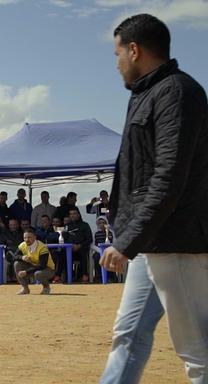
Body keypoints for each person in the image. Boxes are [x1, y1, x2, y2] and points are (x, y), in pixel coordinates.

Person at [99, 14, 208, 384]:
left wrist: (127, 241)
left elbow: (169, 177)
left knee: (199, 351)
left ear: (134, 49)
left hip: (179, 242)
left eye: (117, 54)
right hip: (152, 241)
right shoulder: (148, 94)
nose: (116, 64)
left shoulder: (177, 93)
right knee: (127, 335)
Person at [14, 230, 55, 295]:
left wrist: (26, 272)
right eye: (25, 238)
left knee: (38, 274)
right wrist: (22, 257)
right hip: (33, 267)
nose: (27, 240)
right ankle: (25, 289)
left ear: (35, 237)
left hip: (48, 269)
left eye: (29, 237)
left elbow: (42, 266)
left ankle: (46, 287)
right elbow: (15, 256)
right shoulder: (22, 245)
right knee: (17, 264)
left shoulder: (42, 247)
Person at [65, 208, 92, 283]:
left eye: (74, 213)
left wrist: (79, 245)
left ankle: (84, 275)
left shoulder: (85, 225)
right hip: (70, 249)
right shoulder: (67, 226)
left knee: (82, 253)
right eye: (71, 214)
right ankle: (66, 276)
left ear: (78, 215)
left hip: (82, 248)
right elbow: (64, 239)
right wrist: (71, 246)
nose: (72, 215)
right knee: (62, 254)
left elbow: (89, 239)